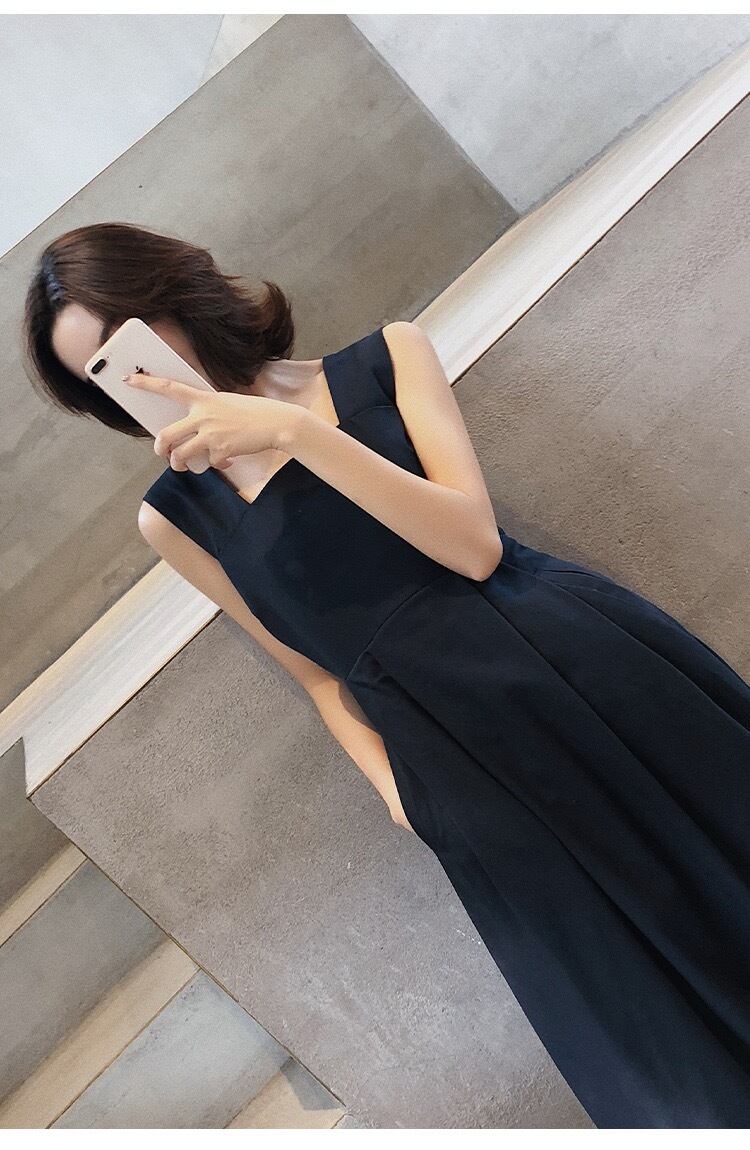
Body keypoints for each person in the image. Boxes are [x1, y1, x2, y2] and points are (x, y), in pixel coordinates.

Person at [23, 222, 750, 1128]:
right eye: (98, 378)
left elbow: (474, 548)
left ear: (174, 295)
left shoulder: (388, 359)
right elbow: (316, 677)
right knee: (640, 1019)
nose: (129, 381)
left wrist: (297, 432)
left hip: (575, 667)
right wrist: (399, 795)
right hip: (454, 766)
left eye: (123, 345)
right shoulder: (175, 517)